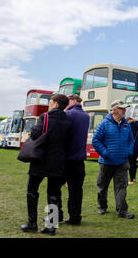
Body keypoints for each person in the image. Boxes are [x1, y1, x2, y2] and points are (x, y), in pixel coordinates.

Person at [20, 94, 72, 236]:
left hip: (41, 160)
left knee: (32, 190)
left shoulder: (45, 117)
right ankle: (51, 226)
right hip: (58, 161)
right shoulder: (68, 120)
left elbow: (36, 134)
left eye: (50, 101)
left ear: (55, 104)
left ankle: (32, 223)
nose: (49, 104)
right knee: (53, 193)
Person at [92, 100, 135, 219]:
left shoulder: (126, 124)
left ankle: (122, 211)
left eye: (125, 108)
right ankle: (102, 206)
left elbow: (131, 140)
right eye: (122, 108)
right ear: (115, 110)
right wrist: (105, 153)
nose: (124, 111)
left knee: (121, 187)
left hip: (122, 162)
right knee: (102, 187)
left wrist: (129, 152)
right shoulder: (104, 124)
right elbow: (95, 140)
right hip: (106, 162)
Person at [57, 94, 90, 225]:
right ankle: (75, 217)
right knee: (76, 190)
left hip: (66, 159)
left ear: (73, 101)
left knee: (54, 188)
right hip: (79, 159)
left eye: (68, 101)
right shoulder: (86, 116)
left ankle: (56, 216)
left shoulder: (68, 114)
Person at [126, 117, 138, 185]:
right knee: (134, 163)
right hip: (137, 147)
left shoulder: (130, 126)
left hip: (132, 147)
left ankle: (132, 179)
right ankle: (134, 178)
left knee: (130, 164)